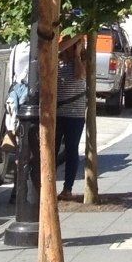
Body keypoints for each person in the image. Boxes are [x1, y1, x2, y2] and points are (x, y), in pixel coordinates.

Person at [55, 34, 88, 200]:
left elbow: (80, 75)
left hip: (75, 115)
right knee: (51, 150)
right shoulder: (57, 60)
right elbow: (56, 50)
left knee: (71, 149)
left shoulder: (82, 62)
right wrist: (75, 38)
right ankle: (47, 186)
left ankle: (67, 188)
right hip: (57, 113)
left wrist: (76, 54)